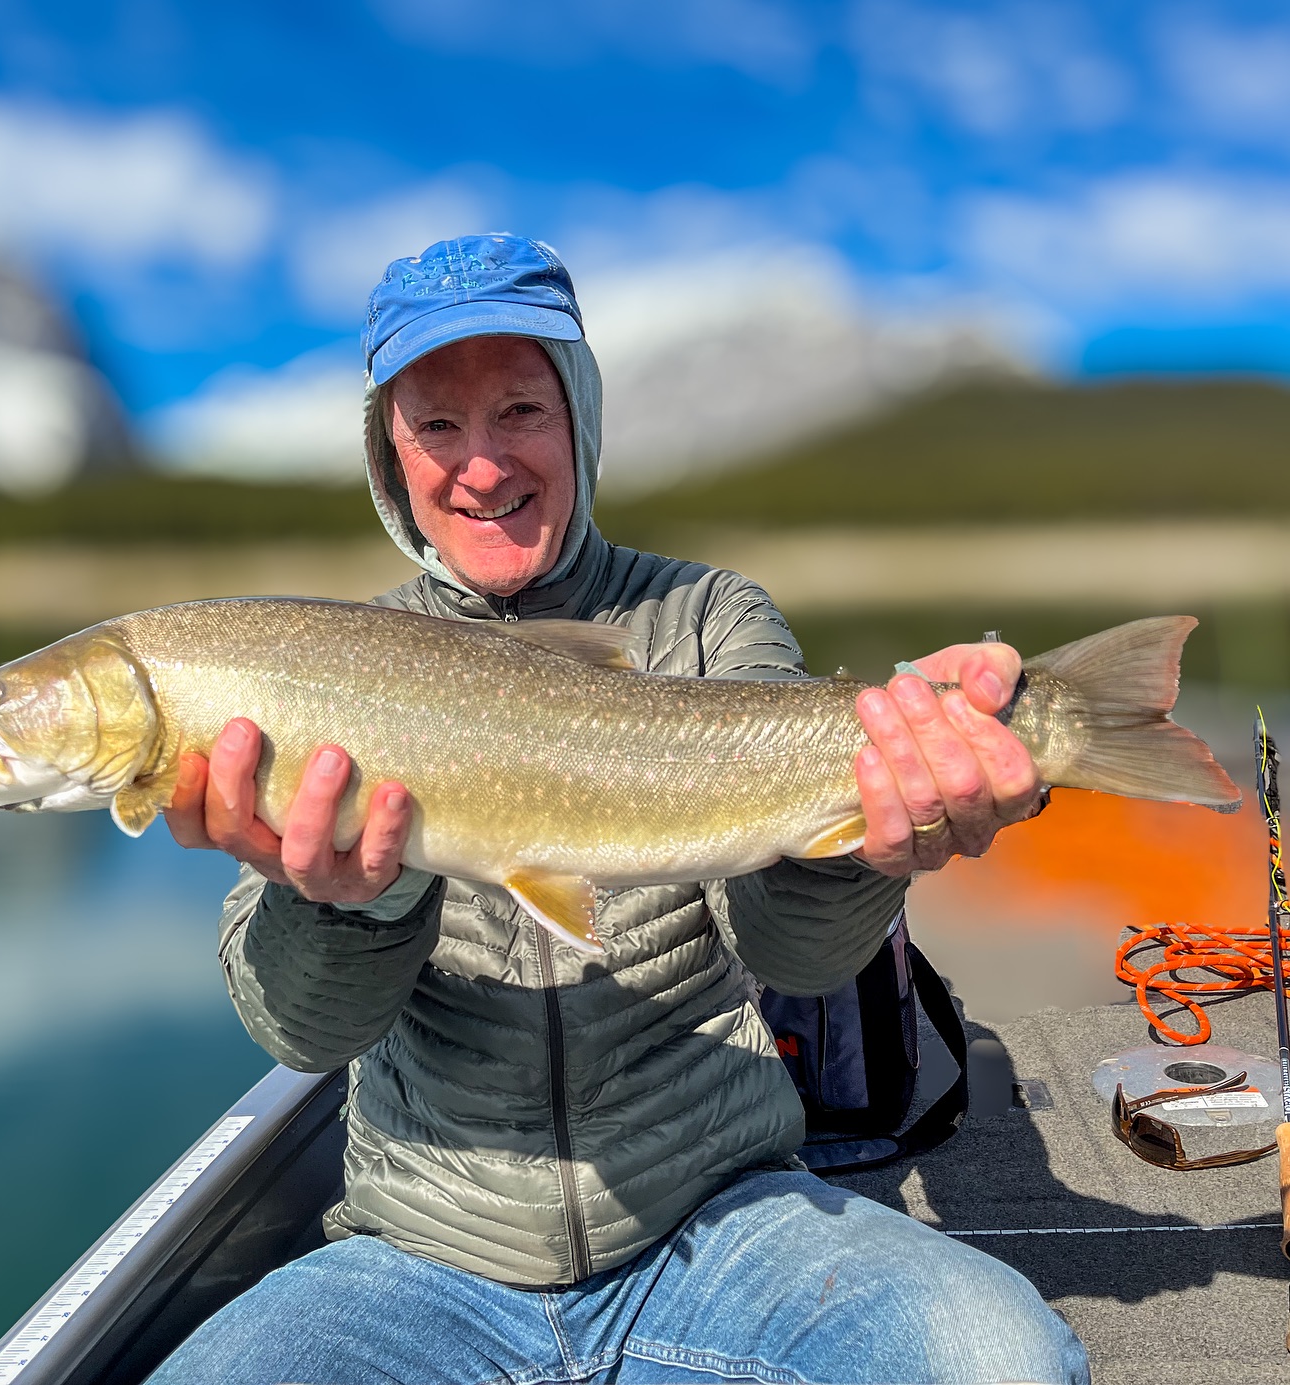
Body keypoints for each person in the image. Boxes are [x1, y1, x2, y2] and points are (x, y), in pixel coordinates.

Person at [151, 235, 1088, 1384]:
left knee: (1005, 1358)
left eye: (519, 410)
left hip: (720, 1225)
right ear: (389, 455)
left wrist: (862, 844)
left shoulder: (707, 619)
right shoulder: (323, 666)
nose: (483, 466)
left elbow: (790, 948)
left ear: (579, 419)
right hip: (420, 1261)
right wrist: (349, 902)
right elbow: (305, 1032)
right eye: (437, 425)